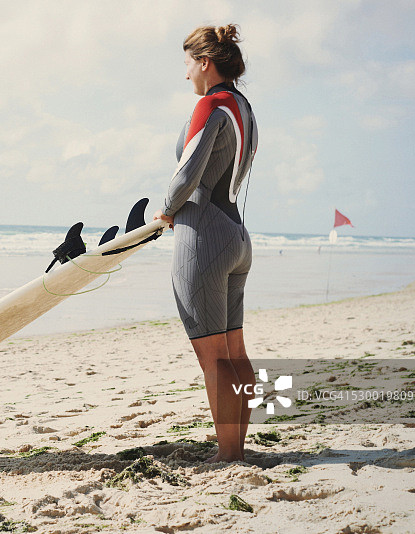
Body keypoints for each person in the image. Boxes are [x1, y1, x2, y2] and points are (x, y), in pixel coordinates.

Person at [153, 24, 258, 463]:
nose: (186, 76)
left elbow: (186, 175)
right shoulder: (244, 107)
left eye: (188, 65)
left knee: (213, 357)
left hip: (204, 239)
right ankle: (237, 447)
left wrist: (166, 209)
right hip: (236, 233)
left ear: (204, 63)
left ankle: (228, 455)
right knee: (235, 352)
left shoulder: (210, 103)